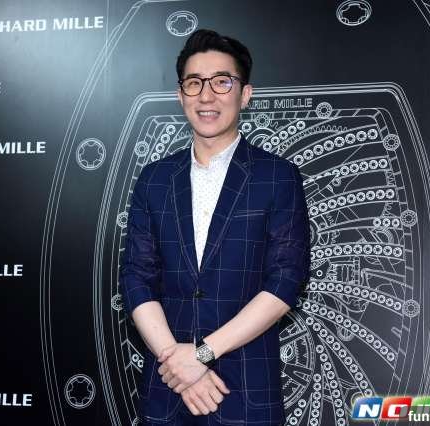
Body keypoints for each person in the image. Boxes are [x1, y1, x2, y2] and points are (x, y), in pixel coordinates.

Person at [120, 29, 309, 426]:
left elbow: (285, 281)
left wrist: (201, 356)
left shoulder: (277, 177)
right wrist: (177, 362)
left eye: (222, 82)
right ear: (181, 95)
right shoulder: (154, 179)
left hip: (245, 389)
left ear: (245, 94)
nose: (206, 96)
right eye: (194, 83)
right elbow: (137, 278)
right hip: (168, 389)